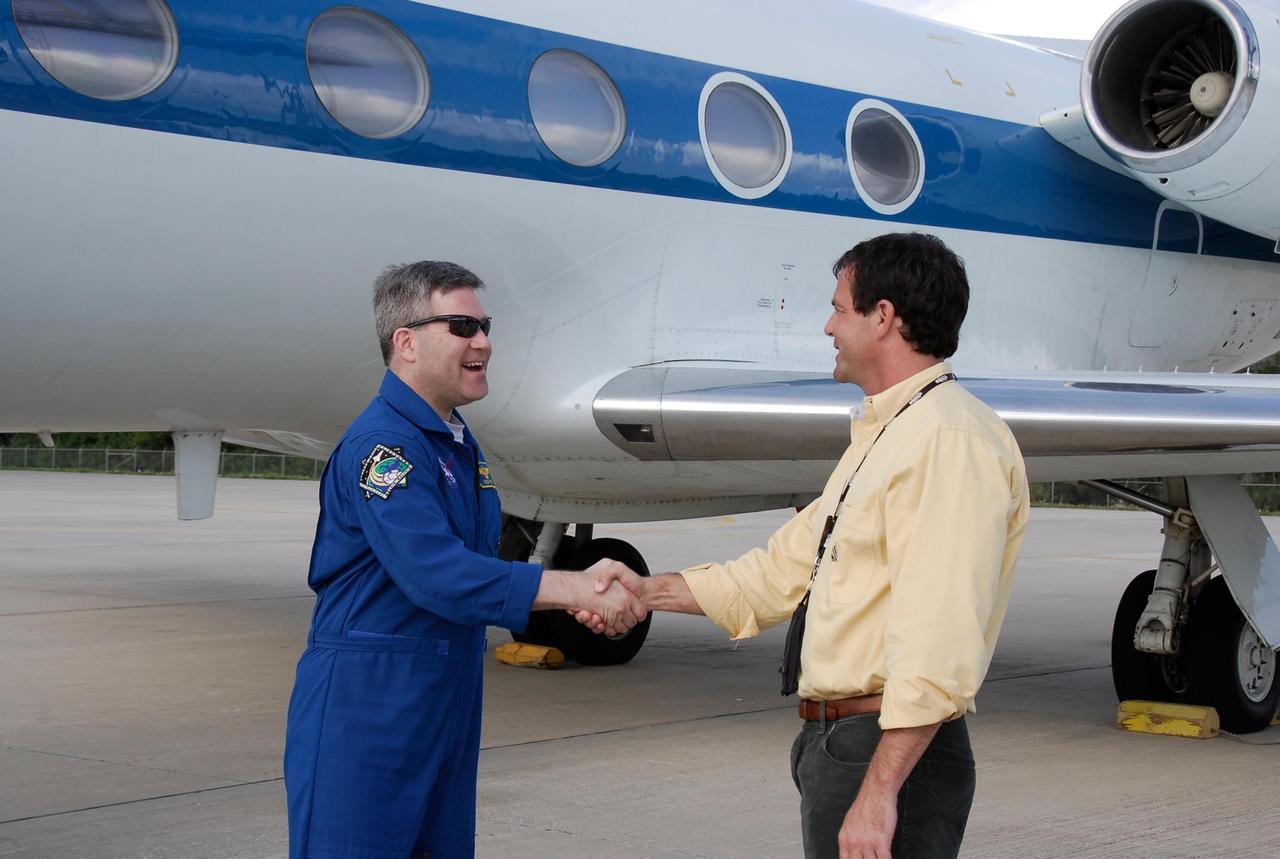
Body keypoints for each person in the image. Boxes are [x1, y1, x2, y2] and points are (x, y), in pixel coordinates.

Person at [587, 233, 1029, 858]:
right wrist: (642, 590)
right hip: (843, 746)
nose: (827, 326)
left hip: (889, 757)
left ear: (883, 317)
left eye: (839, 308)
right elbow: (775, 574)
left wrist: (878, 795)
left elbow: (940, 641)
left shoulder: (947, 442)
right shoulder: (890, 435)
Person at [283, 260, 643, 859]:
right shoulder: (385, 448)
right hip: (370, 703)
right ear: (406, 343)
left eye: (484, 325)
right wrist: (573, 590)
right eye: (461, 326)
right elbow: (437, 572)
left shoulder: (453, 441)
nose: (483, 342)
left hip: (443, 699)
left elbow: (478, 565)